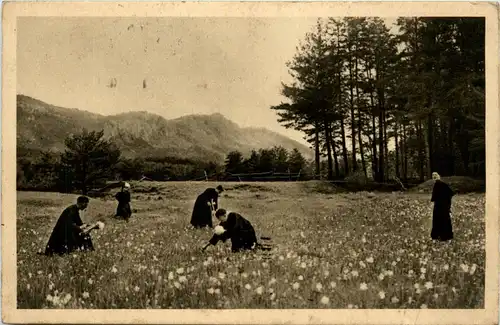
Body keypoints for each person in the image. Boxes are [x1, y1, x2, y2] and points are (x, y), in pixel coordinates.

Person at [202, 209, 271, 253]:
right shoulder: (224, 221)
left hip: (247, 233)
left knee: (247, 247)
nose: (221, 221)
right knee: (238, 249)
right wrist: (207, 245)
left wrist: (224, 233)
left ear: (224, 215)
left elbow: (236, 229)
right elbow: (217, 235)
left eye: (221, 219)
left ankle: (261, 247)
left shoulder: (234, 216)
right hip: (238, 235)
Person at [430, 172, 455, 241]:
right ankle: (447, 235)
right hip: (444, 205)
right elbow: (451, 193)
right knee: (445, 219)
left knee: (438, 219)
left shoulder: (437, 185)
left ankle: (438, 235)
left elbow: (434, 197)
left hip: (439, 205)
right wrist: (448, 204)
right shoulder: (443, 184)